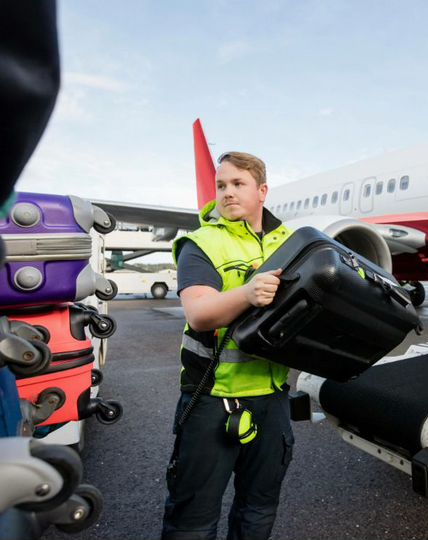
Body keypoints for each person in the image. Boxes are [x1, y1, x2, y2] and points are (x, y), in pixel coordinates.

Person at [161, 151, 294, 540]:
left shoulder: (289, 242)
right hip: (212, 398)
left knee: (258, 512)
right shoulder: (201, 243)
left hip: (272, 399)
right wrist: (249, 293)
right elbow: (200, 313)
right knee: (193, 521)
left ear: (262, 191)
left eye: (238, 184)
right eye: (222, 185)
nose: (227, 193)